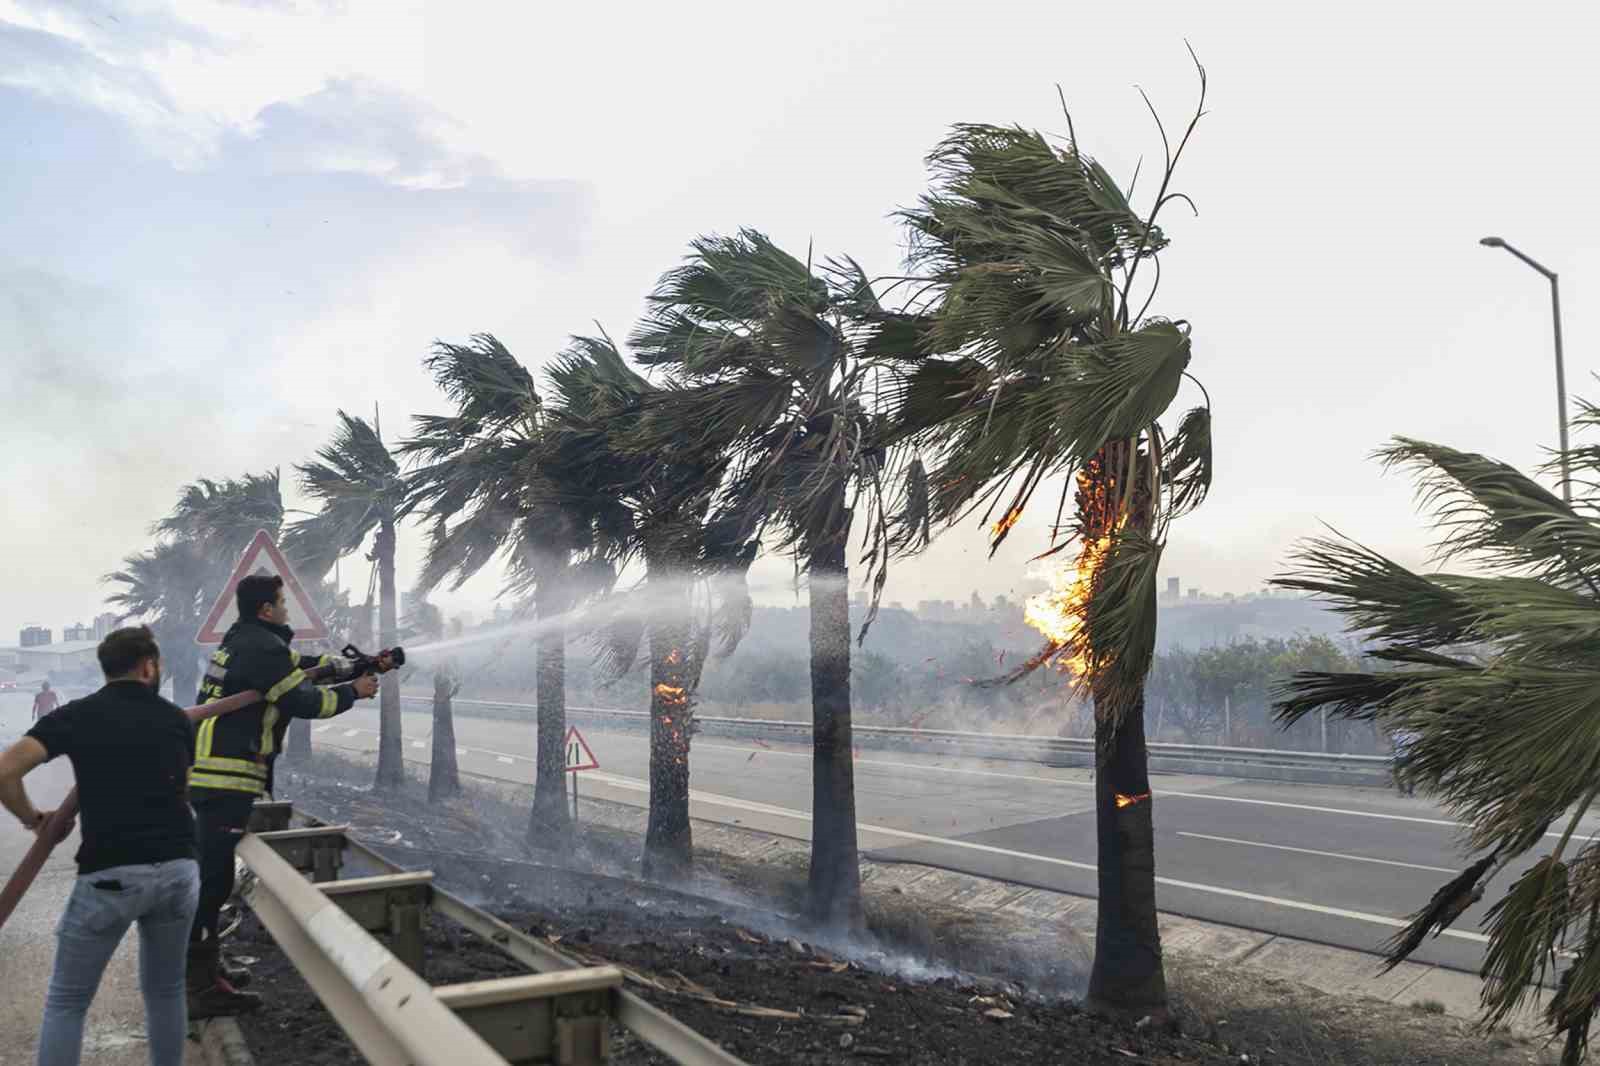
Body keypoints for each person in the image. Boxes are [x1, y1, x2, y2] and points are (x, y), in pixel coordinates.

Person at [0, 627, 198, 1066]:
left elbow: (5, 772)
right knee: (166, 991)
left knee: (68, 1001)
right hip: (180, 870)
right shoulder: (176, 720)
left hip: (110, 876)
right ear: (149, 666)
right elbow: (181, 790)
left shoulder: (78, 716)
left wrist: (34, 820)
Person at [186, 574, 377, 1017]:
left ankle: (205, 969)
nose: (287, 608)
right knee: (211, 883)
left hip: (212, 772)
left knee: (210, 878)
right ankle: (198, 988)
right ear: (265, 609)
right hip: (226, 776)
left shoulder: (242, 642)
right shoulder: (263, 649)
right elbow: (306, 701)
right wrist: (354, 691)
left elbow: (296, 666)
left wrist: (342, 665)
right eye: (281, 602)